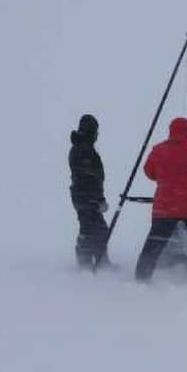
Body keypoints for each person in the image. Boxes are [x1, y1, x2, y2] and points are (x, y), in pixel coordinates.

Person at [134, 117, 187, 285]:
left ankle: (141, 277)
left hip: (165, 205)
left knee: (154, 243)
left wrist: (165, 179)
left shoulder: (158, 149)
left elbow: (148, 171)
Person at [69, 114, 112, 268]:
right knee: (92, 230)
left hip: (85, 195)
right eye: (96, 131)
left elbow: (93, 177)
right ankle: (87, 263)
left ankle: (98, 261)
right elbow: (90, 177)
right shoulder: (83, 149)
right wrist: (98, 198)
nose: (97, 135)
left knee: (95, 229)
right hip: (86, 196)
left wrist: (99, 197)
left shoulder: (83, 147)